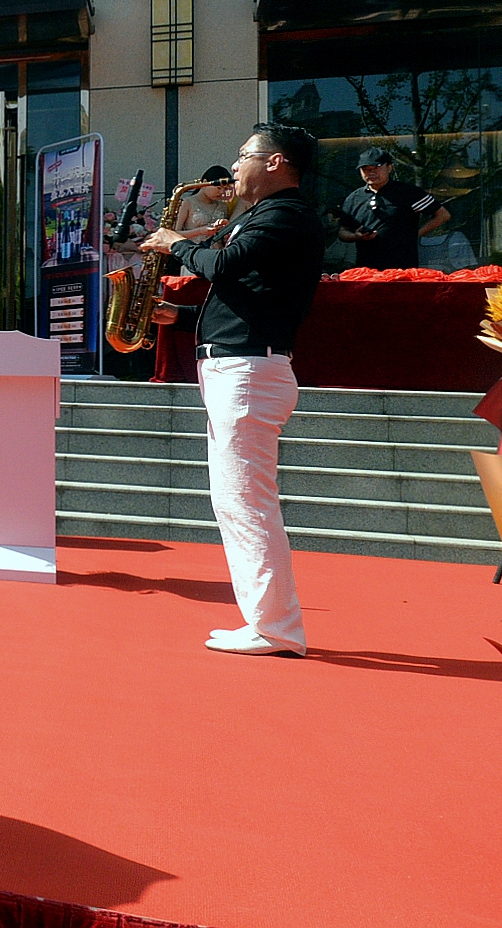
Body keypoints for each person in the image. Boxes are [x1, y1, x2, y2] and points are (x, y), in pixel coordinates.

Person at [142, 123, 330, 658]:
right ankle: (267, 622)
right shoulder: (266, 216)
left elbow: (223, 267)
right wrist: (179, 317)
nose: (235, 165)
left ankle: (276, 627)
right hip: (239, 368)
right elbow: (248, 295)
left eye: (244, 154)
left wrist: (177, 243)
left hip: (248, 373)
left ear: (275, 162)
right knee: (236, 501)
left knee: (245, 503)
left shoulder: (285, 215)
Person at [147, 167, 236, 386]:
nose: (221, 192)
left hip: (214, 262)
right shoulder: (187, 202)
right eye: (218, 187)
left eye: (225, 188)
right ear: (204, 182)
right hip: (190, 262)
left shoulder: (222, 206)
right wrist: (202, 231)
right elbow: (173, 234)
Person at [339, 148, 448, 269]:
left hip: (402, 269)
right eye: (365, 169)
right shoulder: (353, 198)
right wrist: (356, 236)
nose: (371, 172)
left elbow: (442, 215)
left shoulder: (408, 193)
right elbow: (343, 231)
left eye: (376, 167)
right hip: (366, 270)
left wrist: (415, 235)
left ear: (389, 168)